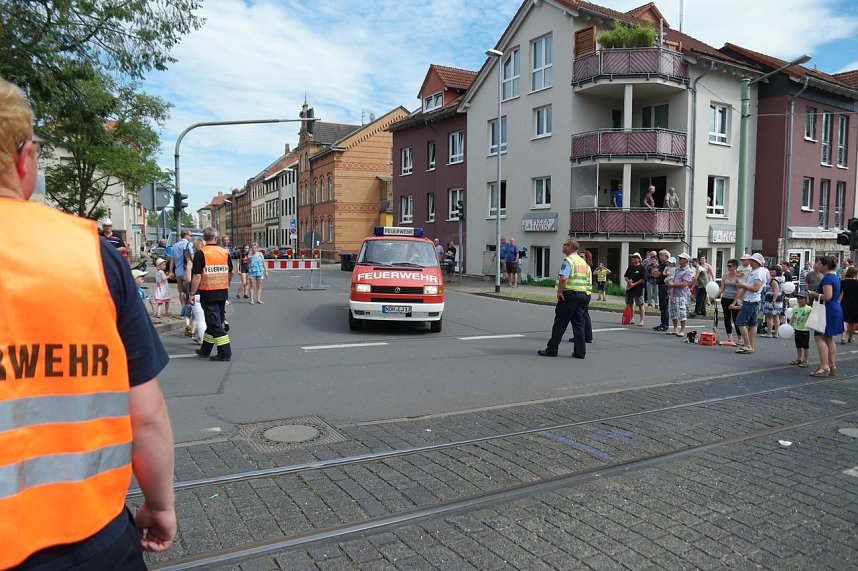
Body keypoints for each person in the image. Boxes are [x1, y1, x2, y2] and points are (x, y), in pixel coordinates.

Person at [0, 75, 175, 569]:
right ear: (24, 158)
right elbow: (144, 414)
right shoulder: (88, 256)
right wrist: (160, 505)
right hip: (88, 538)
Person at [538, 238, 592, 359]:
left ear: (570, 247)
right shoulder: (583, 262)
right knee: (578, 324)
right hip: (582, 295)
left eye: (564, 244)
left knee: (560, 323)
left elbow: (563, 279)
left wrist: (559, 291)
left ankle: (552, 349)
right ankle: (580, 352)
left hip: (570, 295)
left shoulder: (569, 260)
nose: (563, 246)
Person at [190, 226, 234, 361]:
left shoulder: (201, 253)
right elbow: (231, 272)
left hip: (208, 293)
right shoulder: (224, 252)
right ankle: (205, 350)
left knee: (214, 323)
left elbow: (197, 276)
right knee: (214, 321)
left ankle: (225, 353)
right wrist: (226, 283)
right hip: (222, 291)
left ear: (204, 238)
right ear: (216, 237)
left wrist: (192, 293)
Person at [808, 256, 844, 376]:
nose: (817, 266)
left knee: (819, 337)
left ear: (825, 266)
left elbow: (827, 296)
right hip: (834, 307)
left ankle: (824, 366)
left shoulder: (827, 279)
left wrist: (815, 294)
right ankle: (831, 365)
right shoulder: (835, 277)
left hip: (827, 309)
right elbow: (838, 294)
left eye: (819, 264)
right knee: (829, 338)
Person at [734, 253, 767, 354]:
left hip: (750, 300)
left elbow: (756, 288)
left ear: (757, 262)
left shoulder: (758, 273)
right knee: (753, 324)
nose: (750, 262)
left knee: (740, 322)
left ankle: (747, 345)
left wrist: (743, 286)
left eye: (752, 260)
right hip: (753, 300)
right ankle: (751, 346)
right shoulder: (756, 271)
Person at [666, 253, 693, 337]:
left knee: (682, 313)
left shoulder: (688, 271)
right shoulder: (677, 269)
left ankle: (682, 330)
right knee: (673, 312)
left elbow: (685, 283)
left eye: (681, 258)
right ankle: (675, 329)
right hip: (673, 294)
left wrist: (673, 284)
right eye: (680, 258)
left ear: (686, 260)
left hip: (681, 295)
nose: (680, 260)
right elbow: (672, 279)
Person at [716, 259, 741, 345]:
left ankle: (739, 337)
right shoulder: (725, 276)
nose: (728, 268)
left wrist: (734, 302)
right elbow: (722, 288)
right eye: (728, 266)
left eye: (730, 266)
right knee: (727, 318)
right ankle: (729, 337)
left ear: (735, 267)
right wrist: (715, 296)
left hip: (734, 299)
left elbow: (738, 291)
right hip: (725, 298)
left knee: (736, 319)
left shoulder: (738, 276)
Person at [169, 229, 193, 308]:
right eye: (190, 235)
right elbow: (192, 257)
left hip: (178, 272)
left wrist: (171, 271)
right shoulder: (188, 244)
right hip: (187, 272)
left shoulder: (175, 245)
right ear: (186, 235)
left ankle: (183, 308)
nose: (191, 237)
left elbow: (172, 260)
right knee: (187, 291)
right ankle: (188, 309)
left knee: (181, 292)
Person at [190, 238, 207, 344]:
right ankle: (206, 339)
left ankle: (203, 339)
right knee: (206, 317)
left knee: (199, 318)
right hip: (208, 290)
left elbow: (195, 276)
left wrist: (191, 293)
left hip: (197, 291)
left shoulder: (195, 259)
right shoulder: (208, 258)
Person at [789, 291, 811, 368]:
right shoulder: (795, 308)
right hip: (797, 328)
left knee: (805, 346)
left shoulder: (808, 309)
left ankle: (806, 360)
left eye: (801, 298)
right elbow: (793, 317)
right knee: (798, 345)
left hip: (805, 330)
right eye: (798, 298)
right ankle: (799, 359)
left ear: (806, 299)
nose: (799, 300)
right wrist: (790, 325)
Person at [624, 252, 646, 326]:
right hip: (630, 288)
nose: (633, 258)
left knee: (640, 304)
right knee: (630, 303)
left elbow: (642, 279)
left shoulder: (642, 268)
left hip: (638, 288)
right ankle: (631, 318)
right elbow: (626, 276)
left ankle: (642, 320)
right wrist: (628, 281)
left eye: (635, 257)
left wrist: (634, 284)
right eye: (632, 257)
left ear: (639, 259)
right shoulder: (630, 267)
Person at [652, 249, 671, 331]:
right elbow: (654, 273)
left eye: (661, 255)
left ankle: (665, 325)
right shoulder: (662, 264)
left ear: (666, 256)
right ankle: (662, 323)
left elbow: (656, 274)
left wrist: (655, 272)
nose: (660, 257)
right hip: (661, 285)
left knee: (664, 306)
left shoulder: (664, 264)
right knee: (662, 306)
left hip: (664, 286)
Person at [762, 265, 783, 338]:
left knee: (769, 316)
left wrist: (773, 300)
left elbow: (776, 290)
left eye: (773, 270)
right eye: (770, 270)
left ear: (777, 271)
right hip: (779, 298)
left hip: (772, 299)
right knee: (776, 316)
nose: (771, 271)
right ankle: (776, 333)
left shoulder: (773, 280)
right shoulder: (780, 279)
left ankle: (769, 332)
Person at [840, 266, 858, 344]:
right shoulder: (857, 282)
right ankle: (850, 337)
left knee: (844, 321)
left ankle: (843, 338)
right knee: (852, 322)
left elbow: (839, 292)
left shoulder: (843, 282)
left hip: (845, 303)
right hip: (855, 304)